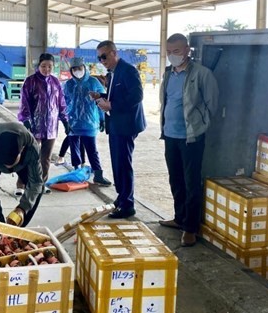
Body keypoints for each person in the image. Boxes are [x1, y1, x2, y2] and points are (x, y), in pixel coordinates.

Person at [159, 33, 219, 247]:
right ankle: (179, 218)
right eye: (169, 52)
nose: (172, 56)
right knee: (175, 179)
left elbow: (212, 104)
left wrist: (199, 125)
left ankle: (190, 228)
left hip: (190, 138)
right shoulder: (168, 74)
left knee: (191, 182)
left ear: (187, 51)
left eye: (176, 51)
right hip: (170, 135)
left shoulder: (202, 74)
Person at [91, 41, 146, 219]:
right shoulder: (112, 72)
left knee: (123, 164)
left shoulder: (128, 70)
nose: (102, 60)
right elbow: (118, 95)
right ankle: (122, 197)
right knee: (117, 163)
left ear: (114, 53)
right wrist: (101, 96)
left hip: (126, 125)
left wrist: (111, 105)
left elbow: (136, 96)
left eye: (104, 56)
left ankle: (127, 204)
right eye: (99, 57)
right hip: (116, 124)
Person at [0, 122, 44, 229]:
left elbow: (36, 183)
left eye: (11, 163)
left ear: (22, 150)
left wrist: (23, 208)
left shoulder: (32, 148)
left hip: (25, 162)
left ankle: (17, 226)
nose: (8, 168)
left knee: (38, 189)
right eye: (5, 164)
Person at [18, 53, 69, 195]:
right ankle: (21, 184)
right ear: (38, 66)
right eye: (44, 66)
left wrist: (65, 120)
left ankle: (41, 183)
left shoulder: (55, 82)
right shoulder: (30, 81)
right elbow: (24, 102)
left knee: (45, 157)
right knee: (28, 155)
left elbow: (61, 104)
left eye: (50, 66)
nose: (47, 69)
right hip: (34, 126)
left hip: (51, 127)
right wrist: (26, 119)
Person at [63, 57, 111, 186]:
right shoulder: (68, 85)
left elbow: (101, 101)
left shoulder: (93, 82)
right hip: (73, 123)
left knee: (92, 149)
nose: (77, 71)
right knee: (74, 148)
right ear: (71, 71)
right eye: (74, 69)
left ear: (84, 68)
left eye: (79, 68)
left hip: (90, 123)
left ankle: (98, 174)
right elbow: (63, 104)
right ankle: (76, 172)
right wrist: (65, 121)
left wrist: (102, 119)